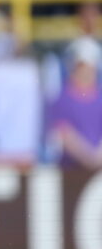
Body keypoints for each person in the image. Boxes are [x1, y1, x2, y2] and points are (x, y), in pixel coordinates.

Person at [45, 37, 102, 169]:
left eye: (89, 66)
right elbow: (63, 133)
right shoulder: (61, 99)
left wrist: (97, 158)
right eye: (81, 66)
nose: (86, 71)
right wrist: (90, 159)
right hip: (71, 171)